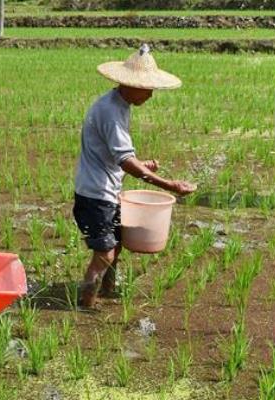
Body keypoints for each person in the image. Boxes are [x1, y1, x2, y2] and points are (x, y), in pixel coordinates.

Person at [73, 44, 196, 308]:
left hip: (107, 191)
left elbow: (120, 156)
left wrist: (141, 164)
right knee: (105, 252)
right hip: (95, 195)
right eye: (147, 88)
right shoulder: (110, 111)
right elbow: (124, 160)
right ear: (129, 84)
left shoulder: (120, 105)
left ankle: (106, 293)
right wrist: (169, 185)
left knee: (115, 248)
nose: (150, 94)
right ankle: (84, 305)